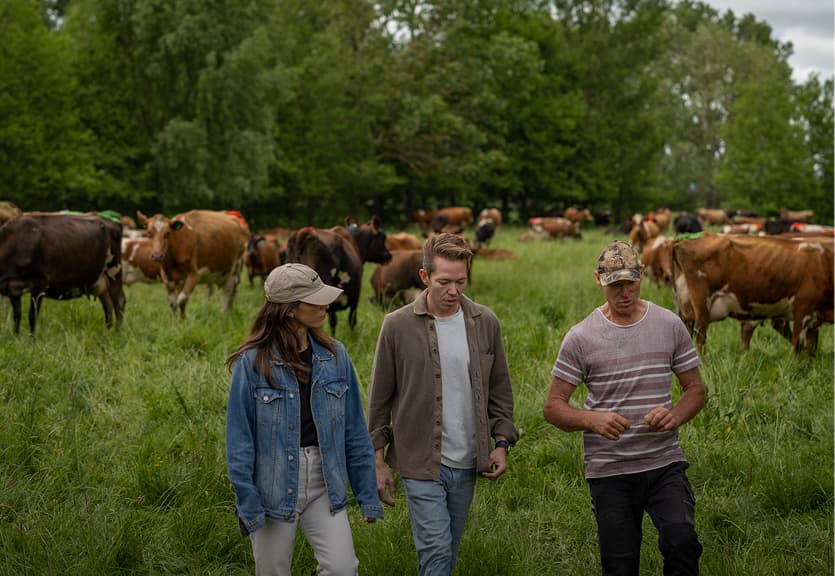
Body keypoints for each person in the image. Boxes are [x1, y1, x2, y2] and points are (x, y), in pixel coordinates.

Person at [543, 240, 706, 576]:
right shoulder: (581, 337)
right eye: (614, 285)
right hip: (610, 470)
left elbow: (695, 389)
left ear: (642, 275)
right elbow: (553, 408)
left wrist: (674, 415)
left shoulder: (669, 324)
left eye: (630, 283)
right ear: (598, 280)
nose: (624, 293)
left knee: (682, 542)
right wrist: (592, 420)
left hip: (664, 462)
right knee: (619, 565)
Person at [367, 232, 518, 576]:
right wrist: (377, 462)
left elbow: (500, 391)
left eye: (461, 282)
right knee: (435, 552)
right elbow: (379, 400)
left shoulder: (485, 322)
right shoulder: (397, 326)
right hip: (420, 460)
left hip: (467, 460)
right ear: (424, 277)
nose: (453, 291)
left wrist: (501, 443)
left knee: (447, 553)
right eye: (444, 282)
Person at [225, 262, 383, 576]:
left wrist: (367, 494)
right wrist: (247, 498)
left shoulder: (336, 356)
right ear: (290, 309)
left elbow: (354, 429)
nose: (327, 304)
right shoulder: (252, 363)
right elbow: (239, 439)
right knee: (273, 570)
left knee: (342, 569)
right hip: (272, 484)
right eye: (316, 299)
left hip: (325, 481)